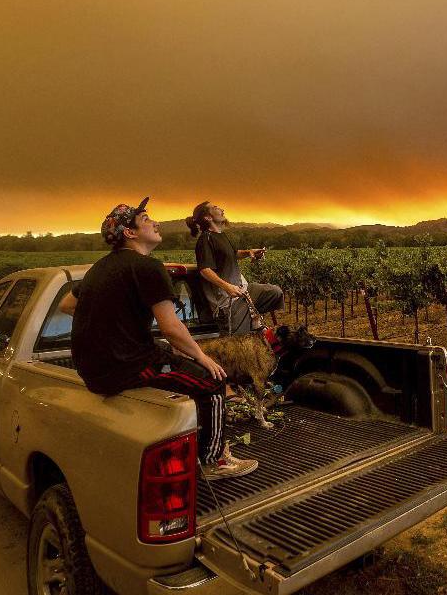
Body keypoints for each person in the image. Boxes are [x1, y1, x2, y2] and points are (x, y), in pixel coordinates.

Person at [60, 197, 258, 479]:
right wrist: (203, 357)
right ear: (130, 233)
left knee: (168, 352)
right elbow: (171, 327)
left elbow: (66, 305)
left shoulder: (99, 268)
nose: (156, 223)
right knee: (213, 381)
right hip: (127, 368)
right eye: (146, 220)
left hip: (93, 370)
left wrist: (113, 323)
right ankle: (215, 460)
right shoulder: (149, 267)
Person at [186, 201, 284, 335]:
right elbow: (205, 270)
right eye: (215, 207)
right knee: (241, 343)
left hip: (242, 291)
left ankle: (252, 318)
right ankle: (249, 323)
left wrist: (249, 252)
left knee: (275, 292)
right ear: (208, 217)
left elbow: (233, 254)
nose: (221, 209)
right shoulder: (205, 240)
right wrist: (228, 287)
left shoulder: (222, 235)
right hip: (228, 302)